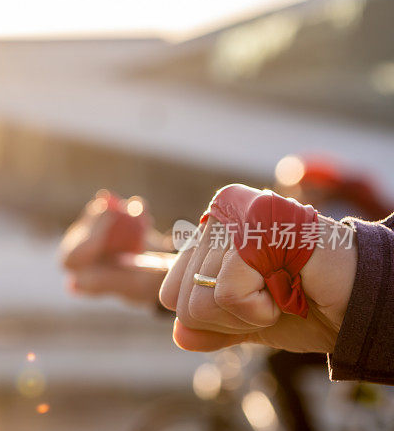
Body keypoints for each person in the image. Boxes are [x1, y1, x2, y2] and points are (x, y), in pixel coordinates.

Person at [59, 162, 394, 384]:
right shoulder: (339, 209)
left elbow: (287, 248)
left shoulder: (339, 211)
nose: (297, 198)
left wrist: (363, 277)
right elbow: (263, 254)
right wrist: (157, 257)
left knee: (281, 372)